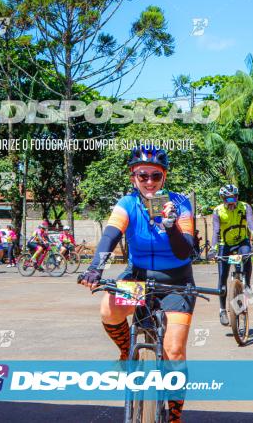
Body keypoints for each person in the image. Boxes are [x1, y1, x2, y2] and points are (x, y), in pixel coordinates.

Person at [78, 146, 195, 422]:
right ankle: (124, 351)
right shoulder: (126, 204)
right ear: (133, 177)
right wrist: (96, 267)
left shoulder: (180, 204)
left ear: (164, 177)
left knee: (174, 353)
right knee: (109, 309)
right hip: (139, 278)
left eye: (156, 175)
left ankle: (175, 416)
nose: (149, 181)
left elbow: (185, 251)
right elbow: (110, 236)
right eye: (143, 175)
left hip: (176, 283)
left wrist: (170, 225)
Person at [211, 184, 253, 326]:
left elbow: (251, 224)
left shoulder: (245, 207)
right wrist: (213, 249)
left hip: (242, 241)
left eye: (234, 198)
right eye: (228, 199)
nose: (232, 201)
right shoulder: (217, 211)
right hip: (224, 244)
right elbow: (215, 231)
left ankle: (247, 284)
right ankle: (222, 310)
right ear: (223, 199)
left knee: (247, 255)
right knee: (222, 278)